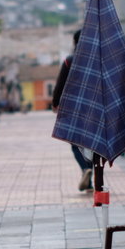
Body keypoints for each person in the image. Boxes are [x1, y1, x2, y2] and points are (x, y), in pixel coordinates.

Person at [52, 30, 93, 191]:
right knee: (95, 143)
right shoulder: (97, 61)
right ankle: (93, 178)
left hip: (73, 108)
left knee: (76, 144)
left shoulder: (70, 61)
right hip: (94, 108)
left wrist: (55, 103)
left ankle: (85, 169)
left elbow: (60, 85)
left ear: (75, 43)